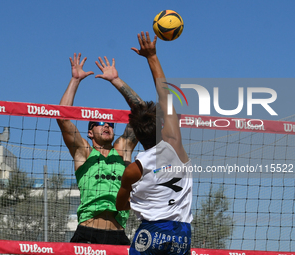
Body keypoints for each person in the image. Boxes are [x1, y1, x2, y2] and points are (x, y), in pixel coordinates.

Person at [116, 31, 193, 254]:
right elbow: (165, 96)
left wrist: (143, 203)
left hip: (151, 231)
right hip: (181, 233)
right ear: (161, 127)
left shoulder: (132, 170)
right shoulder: (174, 145)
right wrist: (152, 56)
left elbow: (120, 206)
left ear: (137, 136)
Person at [57, 53, 144, 244]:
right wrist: (75, 80)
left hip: (117, 235)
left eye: (111, 123)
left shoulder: (122, 150)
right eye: (100, 122)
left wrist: (116, 80)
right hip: (87, 232)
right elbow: (63, 118)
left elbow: (143, 113)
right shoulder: (84, 153)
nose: (107, 125)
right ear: (90, 132)